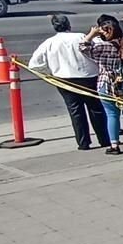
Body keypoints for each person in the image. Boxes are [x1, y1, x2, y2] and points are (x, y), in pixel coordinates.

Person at [29, 15, 110, 151]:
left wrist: (50, 73)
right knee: (96, 110)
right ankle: (104, 140)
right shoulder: (80, 37)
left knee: (75, 111)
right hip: (89, 77)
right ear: (68, 25)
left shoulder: (49, 43)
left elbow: (34, 64)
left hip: (64, 80)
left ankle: (83, 143)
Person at [80, 19, 123, 155]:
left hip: (106, 82)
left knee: (111, 114)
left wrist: (91, 34)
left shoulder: (102, 47)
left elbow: (83, 47)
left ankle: (114, 145)